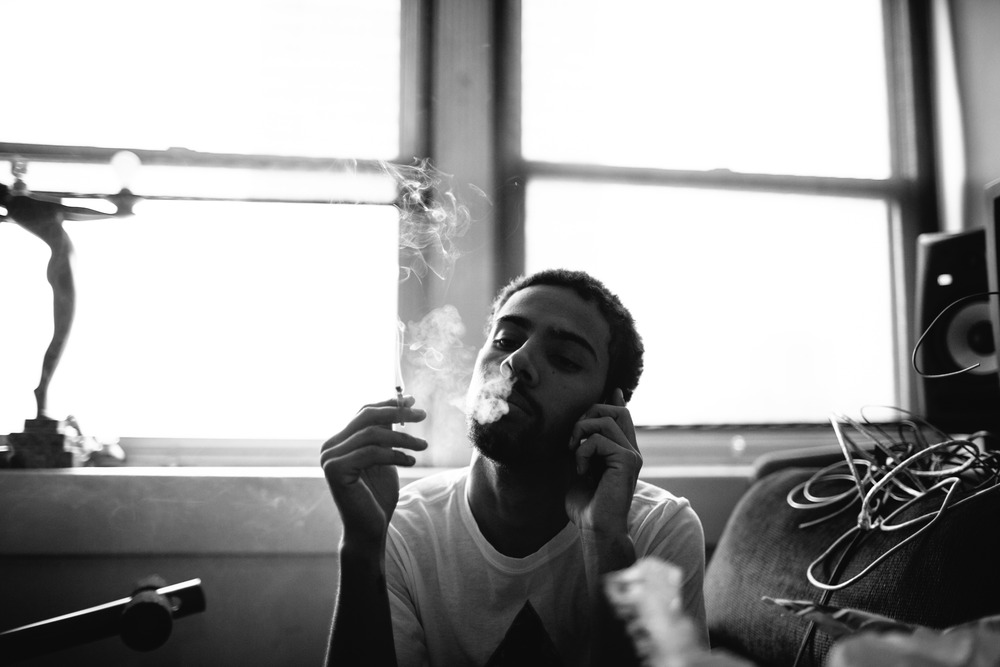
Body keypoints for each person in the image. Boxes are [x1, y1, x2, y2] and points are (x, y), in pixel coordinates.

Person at [321, 268, 707, 666]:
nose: (517, 360)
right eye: (505, 340)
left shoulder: (657, 530)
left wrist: (606, 540)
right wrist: (362, 548)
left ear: (607, 408)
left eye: (564, 358)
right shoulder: (399, 527)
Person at [1, 181, 131, 423]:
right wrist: (114, 214)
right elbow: (67, 211)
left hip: (61, 266)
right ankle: (41, 391)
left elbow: (57, 212)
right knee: (61, 334)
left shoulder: (16, 210)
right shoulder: (20, 205)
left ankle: (42, 392)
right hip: (61, 267)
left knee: (61, 335)